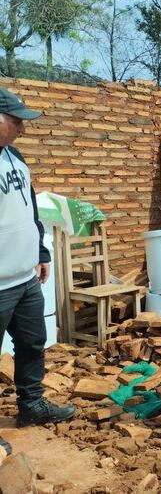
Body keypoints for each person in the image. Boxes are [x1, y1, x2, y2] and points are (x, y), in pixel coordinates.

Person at [0, 87, 77, 427]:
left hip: (25, 278)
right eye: (16, 121)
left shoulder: (16, 158)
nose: (23, 128)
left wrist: (41, 251)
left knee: (32, 342)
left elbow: (29, 209)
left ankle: (31, 404)